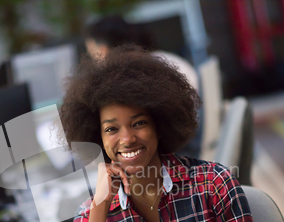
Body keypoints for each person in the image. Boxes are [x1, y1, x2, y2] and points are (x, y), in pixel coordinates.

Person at [60, 46, 284, 222]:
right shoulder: (94, 214)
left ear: (159, 125)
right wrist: (100, 206)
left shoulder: (213, 184)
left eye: (139, 123)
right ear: (97, 137)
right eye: (111, 129)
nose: (127, 138)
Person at [84, 15, 201, 159]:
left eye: (92, 55)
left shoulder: (139, 78)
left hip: (181, 152)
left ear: (102, 51)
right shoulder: (162, 60)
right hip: (195, 142)